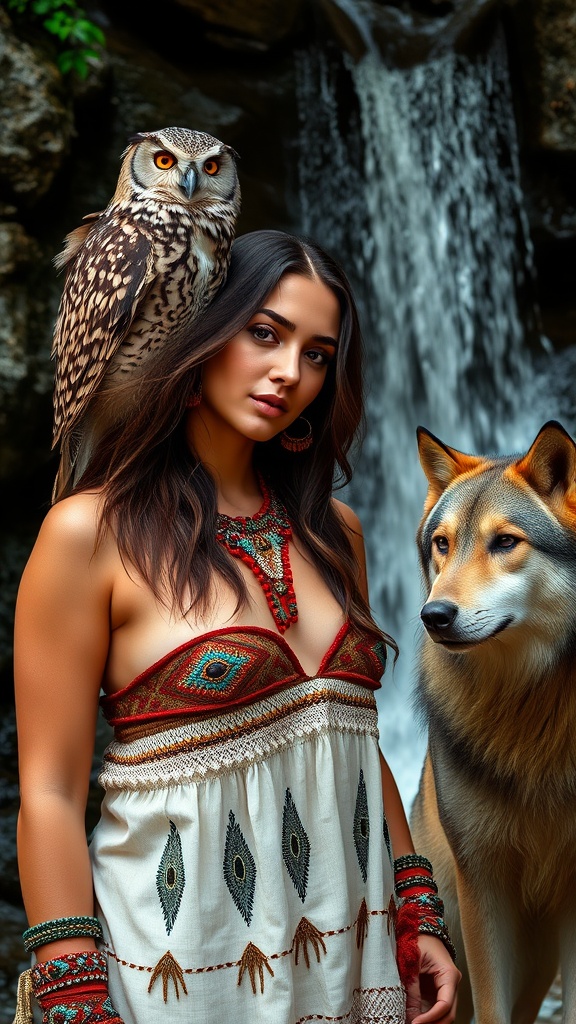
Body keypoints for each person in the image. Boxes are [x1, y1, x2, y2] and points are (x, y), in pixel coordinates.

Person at [13, 230, 460, 1024]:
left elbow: (354, 733)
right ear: (201, 335)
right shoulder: (90, 535)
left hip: (354, 962)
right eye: (265, 334)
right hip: (179, 971)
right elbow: (49, 789)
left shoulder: (336, 531)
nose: (291, 373)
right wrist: (73, 991)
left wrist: (417, 905)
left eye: (319, 354)